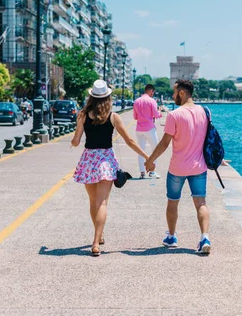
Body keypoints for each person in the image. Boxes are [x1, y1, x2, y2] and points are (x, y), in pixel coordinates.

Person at [71, 80, 150, 256]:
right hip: (106, 161)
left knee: (93, 202)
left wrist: (74, 139)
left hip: (88, 160)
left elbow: (76, 142)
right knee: (103, 202)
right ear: (108, 97)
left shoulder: (83, 115)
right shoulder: (113, 117)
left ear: (91, 97)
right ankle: (96, 242)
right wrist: (147, 157)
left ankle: (98, 236)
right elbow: (129, 141)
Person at [145, 80, 211, 254]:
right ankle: (205, 237)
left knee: (173, 202)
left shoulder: (175, 115)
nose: (173, 96)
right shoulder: (205, 112)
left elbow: (165, 143)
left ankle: (172, 237)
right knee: (201, 202)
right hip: (199, 167)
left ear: (182, 93)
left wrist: (150, 160)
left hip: (178, 168)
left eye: (174, 93)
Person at [133, 84, 162, 179]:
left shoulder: (136, 101)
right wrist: (160, 112)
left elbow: (135, 117)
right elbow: (156, 115)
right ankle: (152, 171)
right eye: (153, 92)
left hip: (139, 129)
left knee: (141, 150)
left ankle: (142, 172)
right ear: (151, 91)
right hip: (149, 128)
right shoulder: (152, 101)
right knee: (155, 149)